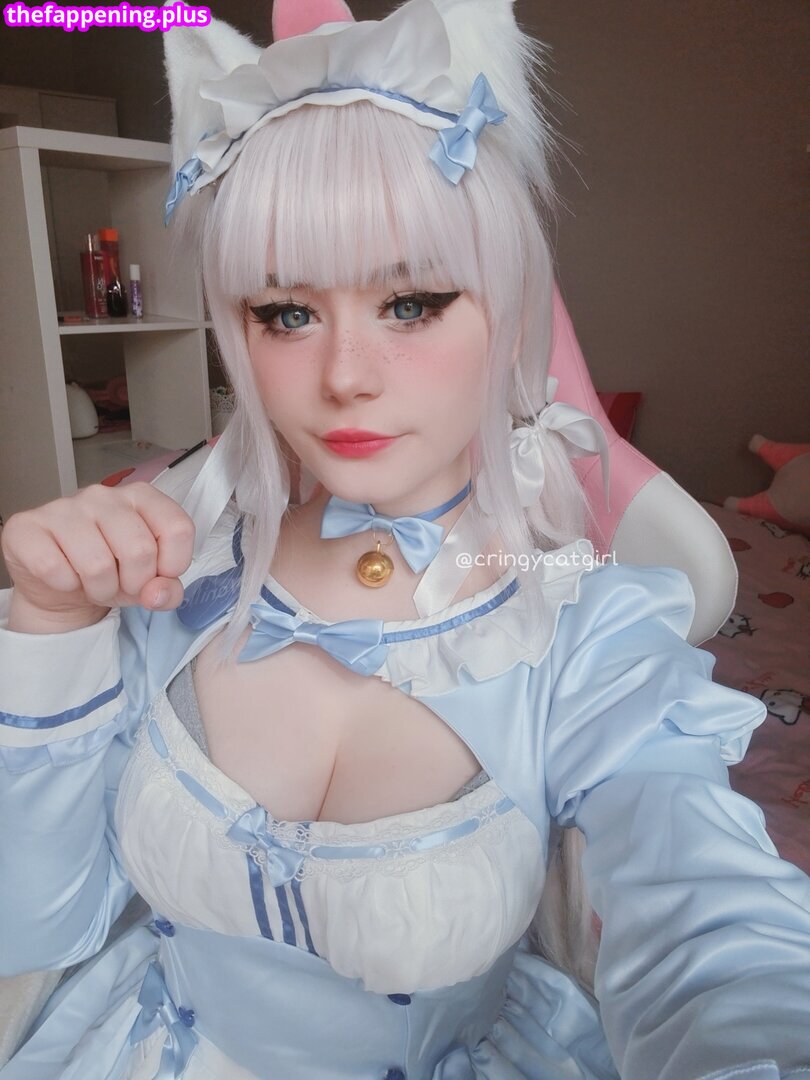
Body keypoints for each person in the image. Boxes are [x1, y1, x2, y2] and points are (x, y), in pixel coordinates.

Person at [1, 1, 809, 1077]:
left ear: (509, 318)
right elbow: (38, 924)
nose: (345, 376)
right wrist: (53, 627)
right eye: (286, 314)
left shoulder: (581, 628)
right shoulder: (171, 574)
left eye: (414, 302)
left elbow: (715, 931)